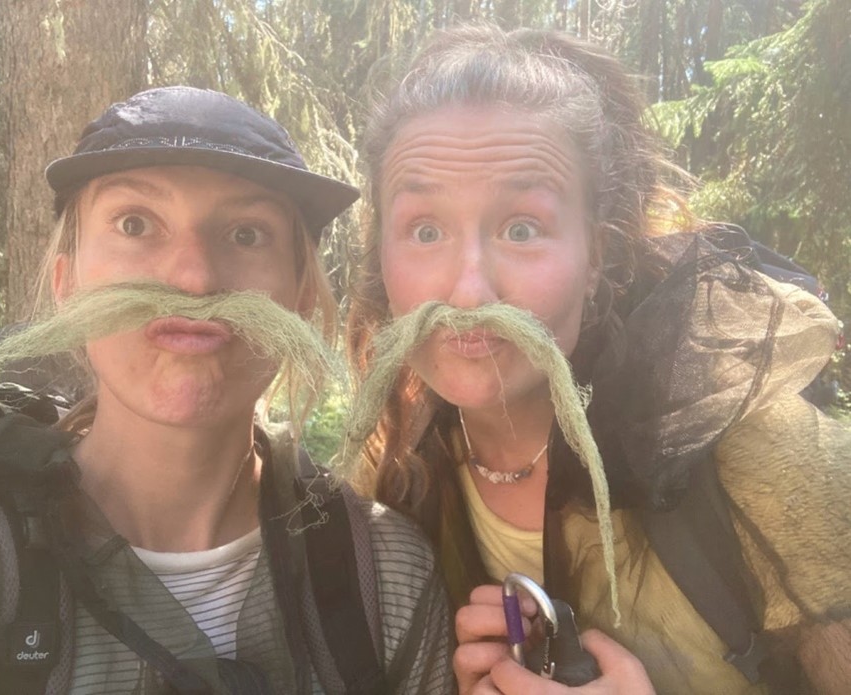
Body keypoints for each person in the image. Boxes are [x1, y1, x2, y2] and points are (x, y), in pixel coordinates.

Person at [346, 23, 851, 694]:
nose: (468, 290)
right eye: (426, 229)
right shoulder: (391, 472)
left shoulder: (758, 452)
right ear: (383, 256)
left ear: (597, 257)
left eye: (521, 227)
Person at [0, 86, 452, 694]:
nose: (194, 278)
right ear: (69, 285)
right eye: (135, 224)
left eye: (247, 234)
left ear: (302, 296)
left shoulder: (385, 576)